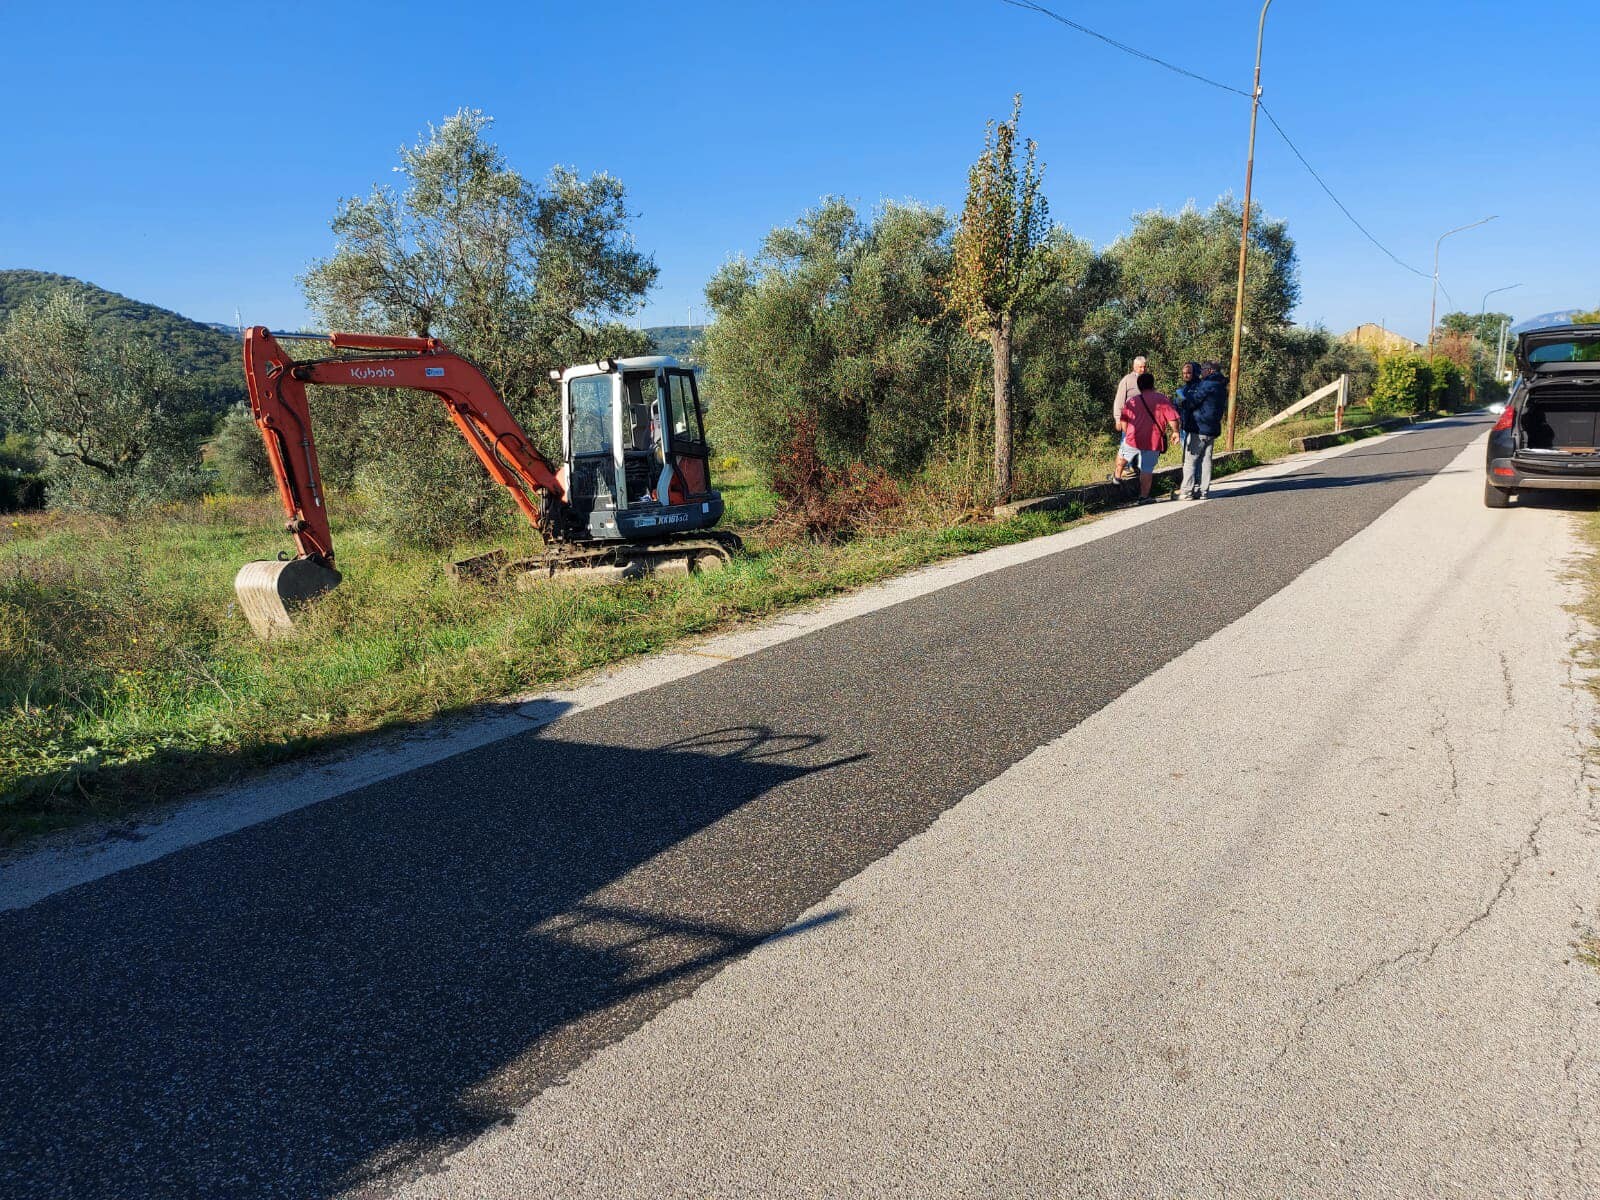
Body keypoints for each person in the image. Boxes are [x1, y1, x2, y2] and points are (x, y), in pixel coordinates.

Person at [1118, 370, 1180, 503]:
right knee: (1146, 468)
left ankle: (1116, 477)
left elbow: (1123, 420)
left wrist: (1126, 432)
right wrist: (1175, 432)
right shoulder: (1161, 399)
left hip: (1133, 438)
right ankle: (1144, 496)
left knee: (1124, 456)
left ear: (1139, 386)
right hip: (1153, 440)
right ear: (1152, 385)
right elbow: (1172, 418)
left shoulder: (1132, 401)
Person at [1178, 360, 1227, 500]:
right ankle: (1204, 491)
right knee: (1206, 461)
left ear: (1210, 370)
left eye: (1204, 369)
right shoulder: (1222, 386)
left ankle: (1187, 492)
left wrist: (1181, 400)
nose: (1201, 372)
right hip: (1213, 428)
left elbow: (1192, 402)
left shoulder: (1206, 385)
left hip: (1199, 428)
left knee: (1190, 461)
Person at [1108, 355, 1149, 483]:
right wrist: (1117, 418)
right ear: (1134, 367)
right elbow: (1119, 399)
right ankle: (1121, 469)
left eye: (1144, 367)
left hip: (1142, 421)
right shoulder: (1127, 380)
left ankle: (1134, 467)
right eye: (1140, 367)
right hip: (1128, 420)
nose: (1142, 369)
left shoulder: (1147, 380)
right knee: (1126, 443)